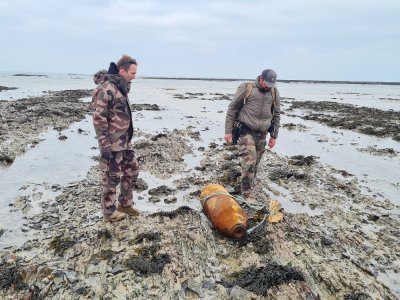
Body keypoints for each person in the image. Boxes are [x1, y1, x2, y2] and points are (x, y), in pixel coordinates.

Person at [91, 54, 140, 222]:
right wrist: (104, 145)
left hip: (124, 141)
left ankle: (125, 204)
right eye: (132, 73)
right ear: (122, 71)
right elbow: (99, 118)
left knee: (132, 169)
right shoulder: (106, 89)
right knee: (111, 177)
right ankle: (109, 212)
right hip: (111, 143)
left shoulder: (121, 87)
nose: (135, 76)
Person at [224, 69, 281, 203]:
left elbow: (277, 114)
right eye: (266, 83)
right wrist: (228, 131)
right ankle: (247, 194)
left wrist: (274, 135)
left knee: (256, 163)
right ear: (260, 78)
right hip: (246, 130)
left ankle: (248, 182)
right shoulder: (247, 88)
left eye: (271, 85)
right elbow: (232, 108)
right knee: (249, 160)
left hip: (263, 133)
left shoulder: (274, 92)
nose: (268, 87)